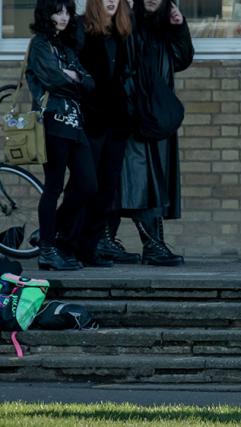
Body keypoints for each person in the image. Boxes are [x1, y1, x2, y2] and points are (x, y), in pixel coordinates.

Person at [114, 0, 193, 266]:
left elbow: (182, 59)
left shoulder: (162, 28)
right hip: (132, 117)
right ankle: (148, 245)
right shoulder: (126, 24)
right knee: (136, 180)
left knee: (145, 180)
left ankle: (108, 241)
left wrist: (179, 26)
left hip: (155, 118)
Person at [26, 0, 96, 270]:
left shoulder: (65, 47)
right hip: (52, 123)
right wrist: (74, 79)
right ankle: (46, 250)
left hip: (75, 125)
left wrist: (74, 77)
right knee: (53, 186)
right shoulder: (40, 45)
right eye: (58, 11)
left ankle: (56, 237)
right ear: (47, 14)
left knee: (88, 184)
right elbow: (54, 80)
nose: (64, 17)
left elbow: (89, 82)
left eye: (67, 11)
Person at [73, 0, 141, 265]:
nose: (111, 1)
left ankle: (88, 249)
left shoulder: (123, 32)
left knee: (107, 189)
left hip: (116, 123)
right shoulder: (82, 30)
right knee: (86, 186)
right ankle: (67, 241)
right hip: (90, 122)